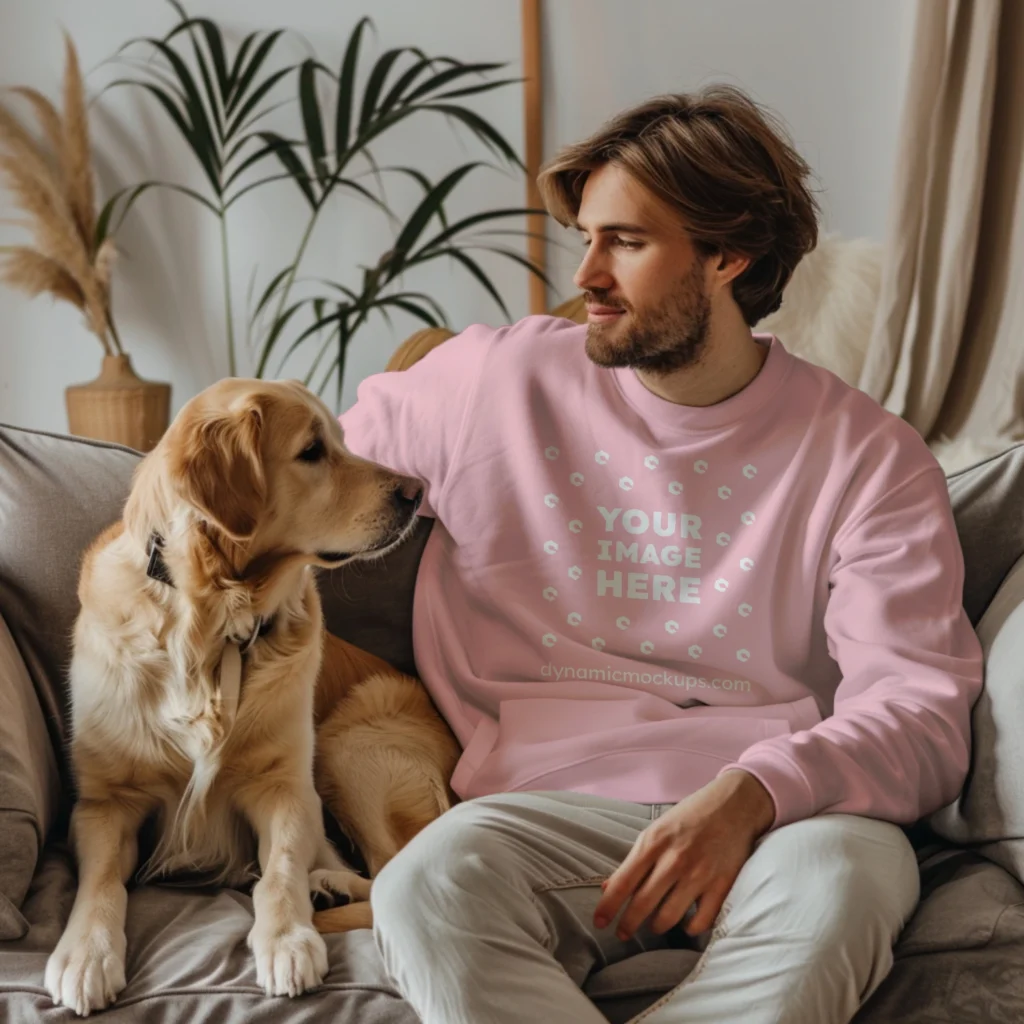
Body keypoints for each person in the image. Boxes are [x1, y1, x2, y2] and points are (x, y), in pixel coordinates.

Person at [338, 85, 983, 1024]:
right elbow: (297, 474)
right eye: (587, 238)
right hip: (546, 808)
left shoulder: (867, 457)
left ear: (730, 255)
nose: (587, 275)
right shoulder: (492, 382)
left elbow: (922, 716)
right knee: (425, 886)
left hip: (788, 818)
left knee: (843, 882)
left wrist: (759, 791)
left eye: (627, 244)